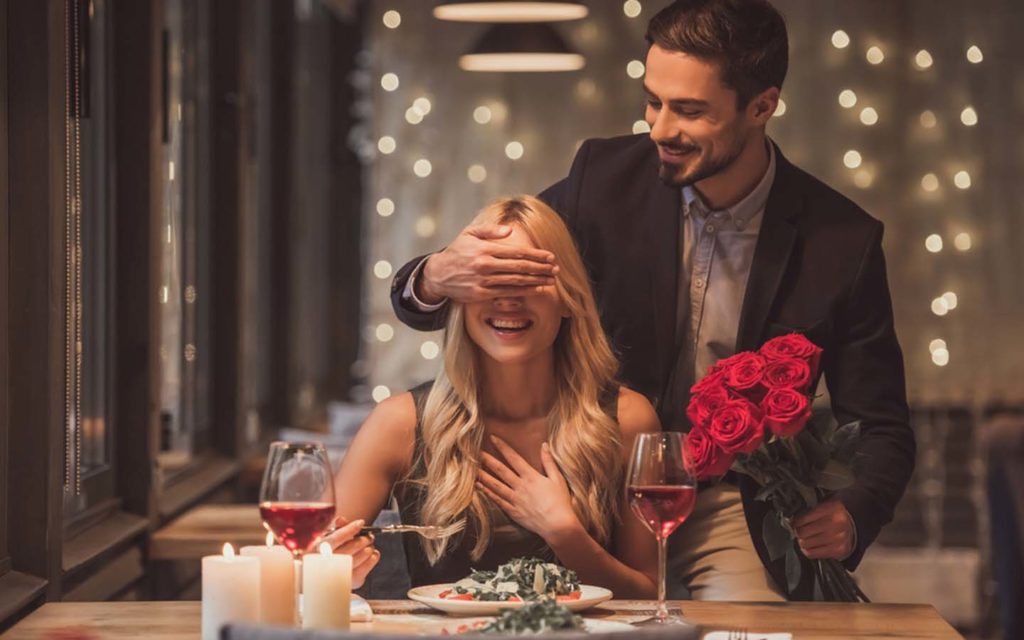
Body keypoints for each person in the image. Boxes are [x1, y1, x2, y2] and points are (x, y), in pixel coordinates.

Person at [390, 0, 915, 601]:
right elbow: (483, 290)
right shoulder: (601, 179)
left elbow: (881, 425)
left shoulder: (841, 242)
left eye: (689, 110)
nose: (660, 129)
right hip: (593, 488)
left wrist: (855, 511)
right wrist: (434, 276)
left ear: (762, 106)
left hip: (726, 507)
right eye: (652, 101)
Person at [333, 196, 660, 598]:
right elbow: (315, 563)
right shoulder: (399, 422)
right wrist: (334, 569)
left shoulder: (628, 419)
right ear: (459, 297)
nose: (507, 300)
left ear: (568, 298)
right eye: (490, 280)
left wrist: (565, 534)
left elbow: (648, 598)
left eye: (527, 279)